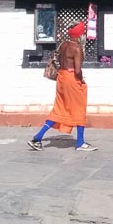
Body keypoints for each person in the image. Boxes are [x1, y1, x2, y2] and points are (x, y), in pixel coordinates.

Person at [28, 21, 96, 152]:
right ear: (80, 34)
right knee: (79, 108)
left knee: (60, 108)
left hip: (62, 77)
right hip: (72, 79)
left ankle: (38, 137)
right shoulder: (77, 48)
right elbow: (77, 70)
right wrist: (81, 80)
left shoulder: (63, 45)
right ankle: (80, 142)